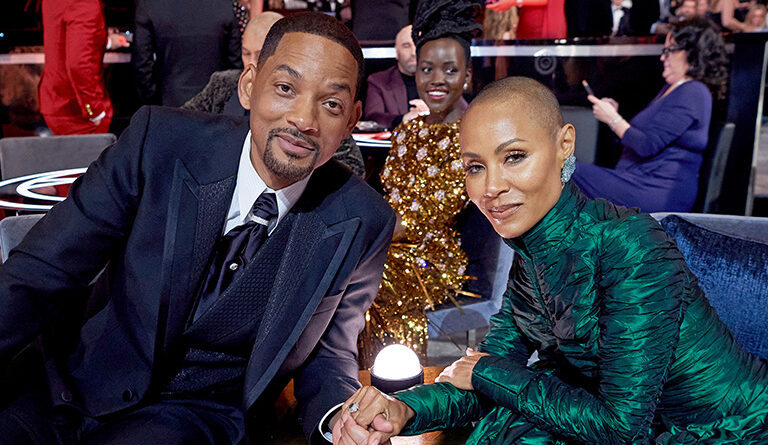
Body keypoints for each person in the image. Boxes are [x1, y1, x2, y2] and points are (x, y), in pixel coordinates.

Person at [0, 12, 395, 445]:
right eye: (286, 88)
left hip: (193, 419)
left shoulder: (363, 219)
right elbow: (43, 269)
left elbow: (329, 354)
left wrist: (340, 418)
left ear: (352, 119)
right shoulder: (158, 142)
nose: (304, 119)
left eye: (331, 104)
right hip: (67, 386)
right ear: (249, 86)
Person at [335, 76, 768, 445]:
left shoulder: (629, 245)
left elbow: (619, 427)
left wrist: (489, 372)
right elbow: (484, 372)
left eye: (514, 157)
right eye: (474, 167)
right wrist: (403, 409)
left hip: (726, 429)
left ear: (564, 145)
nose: (491, 187)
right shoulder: (530, 256)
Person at [357, 0, 481, 367]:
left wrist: (360, 236)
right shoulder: (407, 131)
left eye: (450, 69)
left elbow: (423, 218)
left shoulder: (472, 137)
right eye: (427, 69)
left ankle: (401, 382)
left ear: (467, 76)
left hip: (432, 259)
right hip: (388, 243)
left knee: (367, 278)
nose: (436, 80)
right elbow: (387, 198)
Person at [182, 12, 366, 178]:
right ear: (247, 85)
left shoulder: (325, 124)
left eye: (260, 54)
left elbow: (351, 169)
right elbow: (181, 127)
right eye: (246, 53)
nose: (253, 62)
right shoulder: (225, 85)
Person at [571, 18, 728, 213]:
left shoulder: (693, 92)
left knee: (566, 171)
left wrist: (613, 119)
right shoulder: (674, 89)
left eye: (669, 51)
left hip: (655, 189)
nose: (663, 58)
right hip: (639, 180)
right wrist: (615, 116)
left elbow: (647, 145)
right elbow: (646, 138)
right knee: (565, 171)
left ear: (691, 53)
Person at [39, 0, 128, 135]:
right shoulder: (85, 4)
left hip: (56, 101)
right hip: (77, 112)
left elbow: (64, 41)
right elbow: (79, 66)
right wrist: (95, 111)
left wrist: (108, 41)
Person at [132, 0, 242, 107]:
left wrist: (153, 101)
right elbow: (235, 63)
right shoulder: (225, 5)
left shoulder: (149, 5)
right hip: (216, 104)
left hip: (169, 102)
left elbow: (142, 63)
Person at [363, 25, 429, 130]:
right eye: (406, 46)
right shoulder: (378, 81)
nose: (413, 52)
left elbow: (456, 113)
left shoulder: (440, 79)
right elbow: (373, 118)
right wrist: (403, 119)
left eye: (418, 44)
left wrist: (433, 114)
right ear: (396, 52)